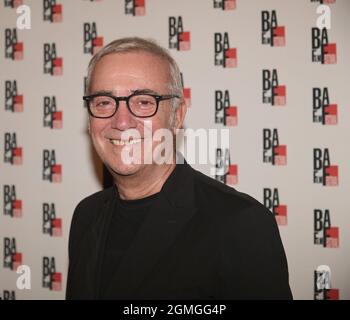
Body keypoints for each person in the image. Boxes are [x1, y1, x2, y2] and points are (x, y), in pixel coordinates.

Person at [66, 37, 292, 300]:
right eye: (104, 102)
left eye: (143, 101)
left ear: (177, 116)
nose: (121, 120)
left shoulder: (240, 224)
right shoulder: (86, 215)